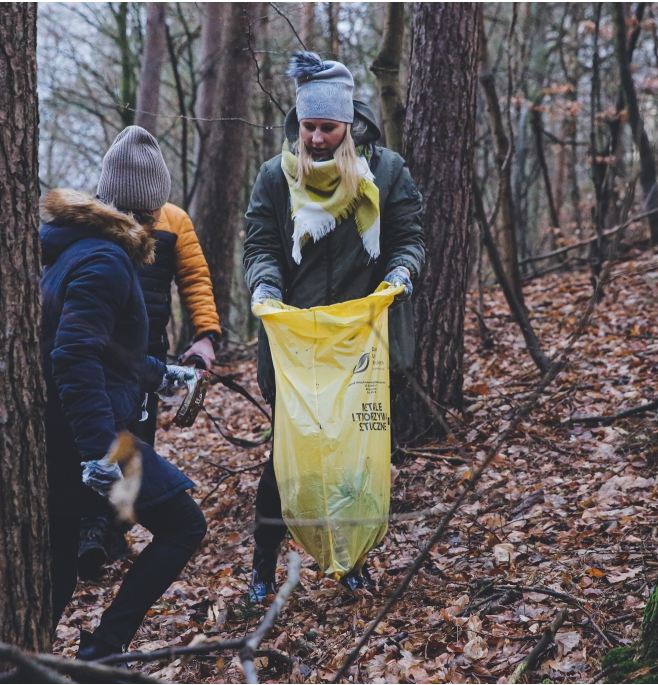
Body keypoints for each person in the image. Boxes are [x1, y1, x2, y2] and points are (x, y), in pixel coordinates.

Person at [243, 51, 425, 602]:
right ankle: (261, 569)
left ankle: (352, 561)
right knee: (286, 464)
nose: (316, 139)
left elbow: (409, 239)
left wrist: (400, 271)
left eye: (327, 127)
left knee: (355, 464)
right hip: (294, 344)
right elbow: (260, 245)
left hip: (360, 346)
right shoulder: (276, 176)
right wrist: (266, 287)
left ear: (349, 125)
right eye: (308, 126)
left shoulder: (386, 172)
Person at [40, 125, 207, 659]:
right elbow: (72, 356)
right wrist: (97, 452)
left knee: (61, 565)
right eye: (155, 212)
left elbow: (106, 348)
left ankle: (18, 661)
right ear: (148, 211)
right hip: (86, 435)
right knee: (184, 525)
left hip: (61, 428)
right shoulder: (107, 261)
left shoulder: (83, 248)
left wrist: (161, 375)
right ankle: (102, 654)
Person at [77, 186, 222, 579]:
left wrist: (206, 335)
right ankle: (91, 528)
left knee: (136, 444)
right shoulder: (89, 216)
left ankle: (118, 528)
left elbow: (195, 280)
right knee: (96, 435)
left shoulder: (174, 221)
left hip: (146, 355)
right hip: (94, 345)